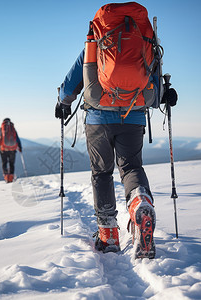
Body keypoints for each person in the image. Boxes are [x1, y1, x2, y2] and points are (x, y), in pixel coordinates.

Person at [55, 2, 177, 258]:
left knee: (102, 173)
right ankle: (140, 202)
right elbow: (154, 80)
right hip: (133, 117)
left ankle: (108, 235)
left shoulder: (95, 44)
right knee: (131, 168)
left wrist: (63, 103)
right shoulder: (145, 42)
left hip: (98, 117)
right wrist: (166, 94)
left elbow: (73, 81)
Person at [0, 118, 22, 183]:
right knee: (12, 164)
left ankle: (7, 178)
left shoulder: (1, 130)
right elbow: (17, 139)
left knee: (4, 163)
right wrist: (20, 148)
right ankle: (11, 178)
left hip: (3, 150)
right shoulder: (13, 129)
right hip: (13, 149)